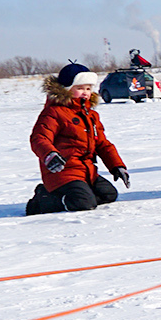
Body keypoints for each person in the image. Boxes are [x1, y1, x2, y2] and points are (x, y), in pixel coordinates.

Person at [26, 63, 130, 214]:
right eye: (79, 88)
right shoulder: (54, 112)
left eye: (88, 89)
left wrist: (117, 166)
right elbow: (39, 138)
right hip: (62, 171)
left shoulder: (91, 115)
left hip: (86, 171)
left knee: (108, 194)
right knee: (83, 203)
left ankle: (76, 193)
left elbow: (102, 144)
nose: (85, 93)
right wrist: (49, 155)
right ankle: (43, 200)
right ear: (67, 89)